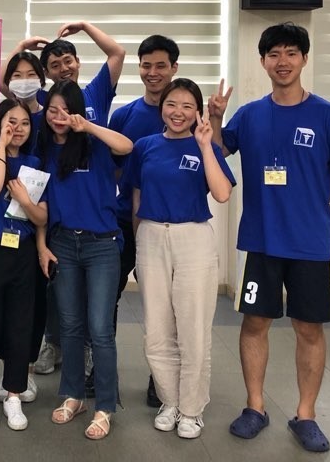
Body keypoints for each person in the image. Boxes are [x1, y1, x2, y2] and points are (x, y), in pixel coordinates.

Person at [209, 22, 330, 453]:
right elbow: (219, 151)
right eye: (274, 54)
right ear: (262, 61)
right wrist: (216, 118)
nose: (282, 61)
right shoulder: (250, 114)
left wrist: (313, 198)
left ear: (304, 59)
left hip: (310, 243)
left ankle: (306, 415)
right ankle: (255, 407)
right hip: (261, 240)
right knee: (255, 322)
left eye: (291, 53)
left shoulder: (328, 116)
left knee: (308, 327)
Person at [7, 21, 125, 380]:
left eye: (68, 61)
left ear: (78, 62)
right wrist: (22, 47)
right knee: (58, 289)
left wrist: (85, 26)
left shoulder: (94, 95)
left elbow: (117, 53)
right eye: (54, 65)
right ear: (46, 73)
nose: (63, 68)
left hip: (95, 212)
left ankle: (88, 350)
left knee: (95, 301)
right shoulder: (44, 102)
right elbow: (6, 82)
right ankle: (54, 343)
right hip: (55, 206)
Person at [126, 79, 235, 439]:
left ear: (197, 112)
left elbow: (222, 193)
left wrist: (205, 146)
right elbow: (137, 196)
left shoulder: (206, 146)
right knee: (156, 331)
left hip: (193, 238)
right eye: (172, 104)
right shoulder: (145, 146)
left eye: (188, 106)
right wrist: (140, 239)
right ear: (162, 108)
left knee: (193, 329)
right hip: (151, 237)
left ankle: (191, 409)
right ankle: (169, 401)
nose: (178, 112)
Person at [36, 80, 133, 441]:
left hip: (102, 245)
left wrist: (88, 126)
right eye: (52, 110)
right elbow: (41, 204)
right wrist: (42, 246)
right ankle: (73, 395)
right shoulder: (44, 150)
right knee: (70, 325)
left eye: (66, 110)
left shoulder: (95, 145)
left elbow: (127, 145)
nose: (58, 117)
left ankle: (105, 406)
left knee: (100, 329)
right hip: (62, 243)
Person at [107, 34, 180, 408]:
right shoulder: (124, 116)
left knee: (164, 305)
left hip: (168, 228)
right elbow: (112, 173)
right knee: (107, 299)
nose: (153, 72)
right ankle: (102, 372)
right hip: (122, 224)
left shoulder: (185, 116)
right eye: (146, 65)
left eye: (160, 65)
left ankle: (160, 379)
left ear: (174, 68)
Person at [0, 100, 48, 431]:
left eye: (25, 123)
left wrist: (26, 200)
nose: (18, 128)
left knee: (20, 326)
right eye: (10, 122)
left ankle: (13, 395)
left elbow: (41, 217)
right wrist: (2, 145)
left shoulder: (35, 164)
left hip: (22, 254)